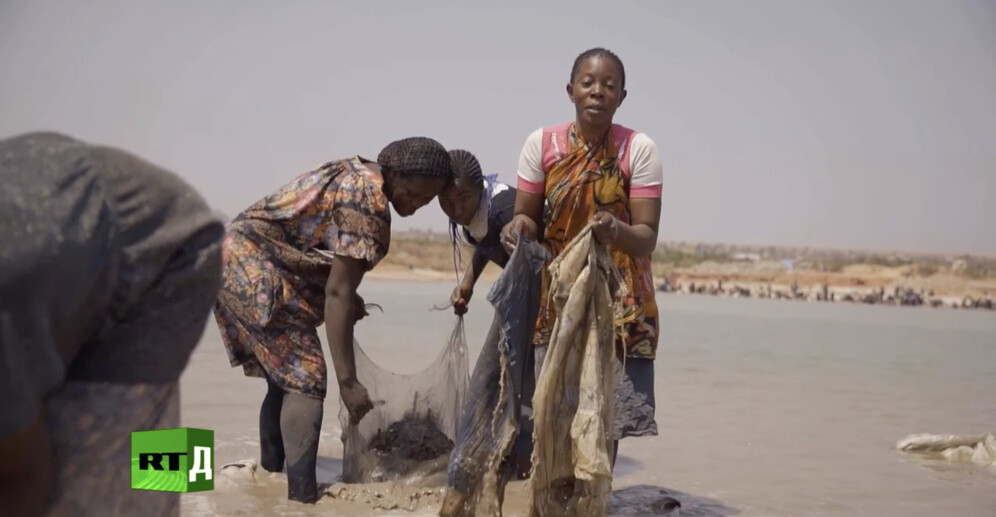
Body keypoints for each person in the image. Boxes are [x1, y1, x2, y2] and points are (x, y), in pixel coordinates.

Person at [213, 137, 454, 503]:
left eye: (425, 201)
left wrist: (342, 294)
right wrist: (349, 382)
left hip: (237, 256)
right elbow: (338, 294)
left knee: (285, 379)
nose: (416, 206)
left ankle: (270, 478)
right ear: (396, 172)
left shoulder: (356, 171)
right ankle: (302, 500)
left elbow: (315, 259)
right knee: (307, 374)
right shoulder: (369, 200)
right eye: (414, 194)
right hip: (252, 268)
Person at [0, 132, 225, 517]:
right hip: (69, 240)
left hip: (169, 249)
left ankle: (180, 496)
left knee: (98, 481)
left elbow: (21, 471)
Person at [500, 47, 664, 467]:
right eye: (588, 84)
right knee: (554, 411)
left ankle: (595, 501)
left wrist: (616, 230)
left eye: (609, 86)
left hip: (619, 304)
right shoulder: (543, 144)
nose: (598, 92)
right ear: (570, 91)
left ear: (622, 97)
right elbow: (528, 217)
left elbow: (646, 238)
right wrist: (518, 228)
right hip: (557, 300)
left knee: (604, 418)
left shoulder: (638, 150)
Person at [437, 149, 517, 315]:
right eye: (446, 202)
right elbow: (486, 239)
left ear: (480, 187)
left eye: (464, 198)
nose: (457, 211)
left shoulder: (504, 213)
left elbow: (542, 261)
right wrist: (468, 282)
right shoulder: (476, 211)